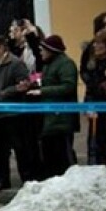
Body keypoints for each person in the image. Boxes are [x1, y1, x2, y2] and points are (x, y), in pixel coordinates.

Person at [0, 35, 34, 192]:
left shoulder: (16, 64)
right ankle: (3, 180)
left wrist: (6, 92)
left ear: (2, 48)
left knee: (20, 149)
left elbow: (24, 85)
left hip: (13, 115)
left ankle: (26, 179)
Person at [27, 35, 79, 178]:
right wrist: (30, 83)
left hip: (61, 120)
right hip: (48, 120)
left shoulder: (66, 64)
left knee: (63, 156)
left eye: (43, 49)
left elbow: (68, 86)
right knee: (49, 156)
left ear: (51, 50)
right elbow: (43, 79)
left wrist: (42, 91)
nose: (41, 52)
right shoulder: (48, 64)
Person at [82, 30, 106, 167]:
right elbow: (90, 88)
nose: (95, 46)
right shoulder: (94, 64)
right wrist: (89, 106)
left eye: (99, 43)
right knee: (100, 149)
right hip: (100, 115)